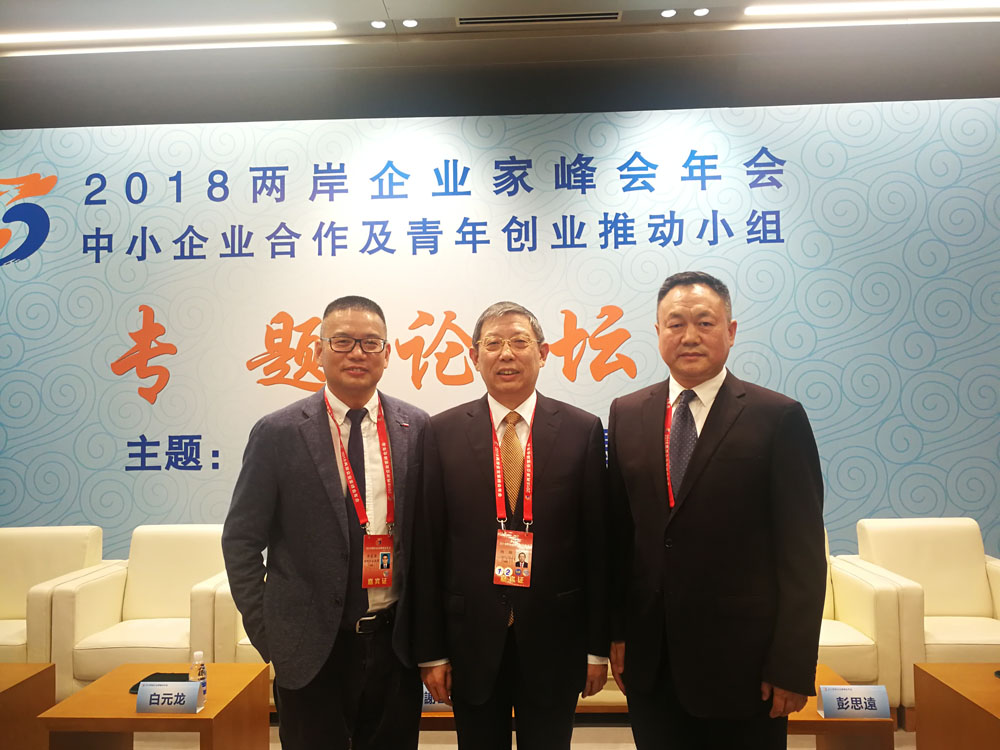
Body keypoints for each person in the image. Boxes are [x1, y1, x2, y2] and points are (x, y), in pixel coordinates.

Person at [607, 272, 826, 750]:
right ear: (658, 332)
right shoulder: (626, 412)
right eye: (675, 323)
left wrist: (791, 666)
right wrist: (618, 632)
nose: (689, 336)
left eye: (705, 322)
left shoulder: (777, 417)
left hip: (744, 668)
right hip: (652, 663)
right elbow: (622, 537)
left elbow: (803, 555)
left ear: (731, 331)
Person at [222, 295, 429, 750]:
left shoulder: (417, 428)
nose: (357, 353)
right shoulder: (278, 433)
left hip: (395, 644)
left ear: (388, 354)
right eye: (342, 341)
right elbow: (240, 541)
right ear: (318, 351)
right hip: (309, 646)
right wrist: (271, 634)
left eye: (371, 343)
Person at [413, 301, 610, 750]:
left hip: (557, 638)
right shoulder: (441, 433)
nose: (506, 354)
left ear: (542, 353)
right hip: (469, 640)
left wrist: (596, 647)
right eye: (493, 343)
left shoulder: (581, 429)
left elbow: (598, 546)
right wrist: (432, 651)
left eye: (519, 342)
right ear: (473, 356)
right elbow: (428, 547)